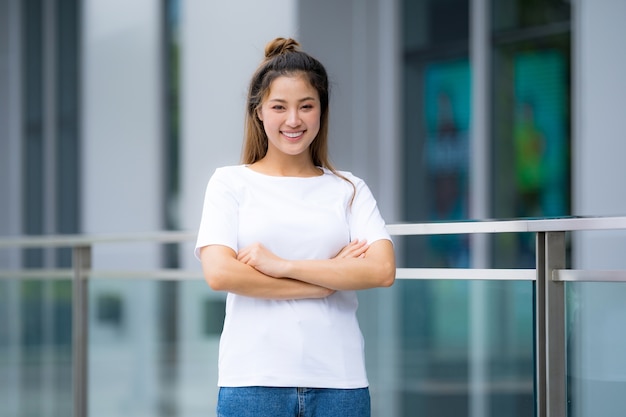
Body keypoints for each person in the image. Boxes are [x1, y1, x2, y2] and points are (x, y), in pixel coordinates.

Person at [195, 37, 396, 417]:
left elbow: (382, 270)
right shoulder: (229, 183)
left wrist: (281, 265)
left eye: (306, 106)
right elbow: (220, 273)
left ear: (322, 110)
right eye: (279, 107)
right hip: (253, 381)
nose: (293, 120)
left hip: (340, 381)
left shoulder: (348, 189)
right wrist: (327, 280)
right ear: (258, 112)